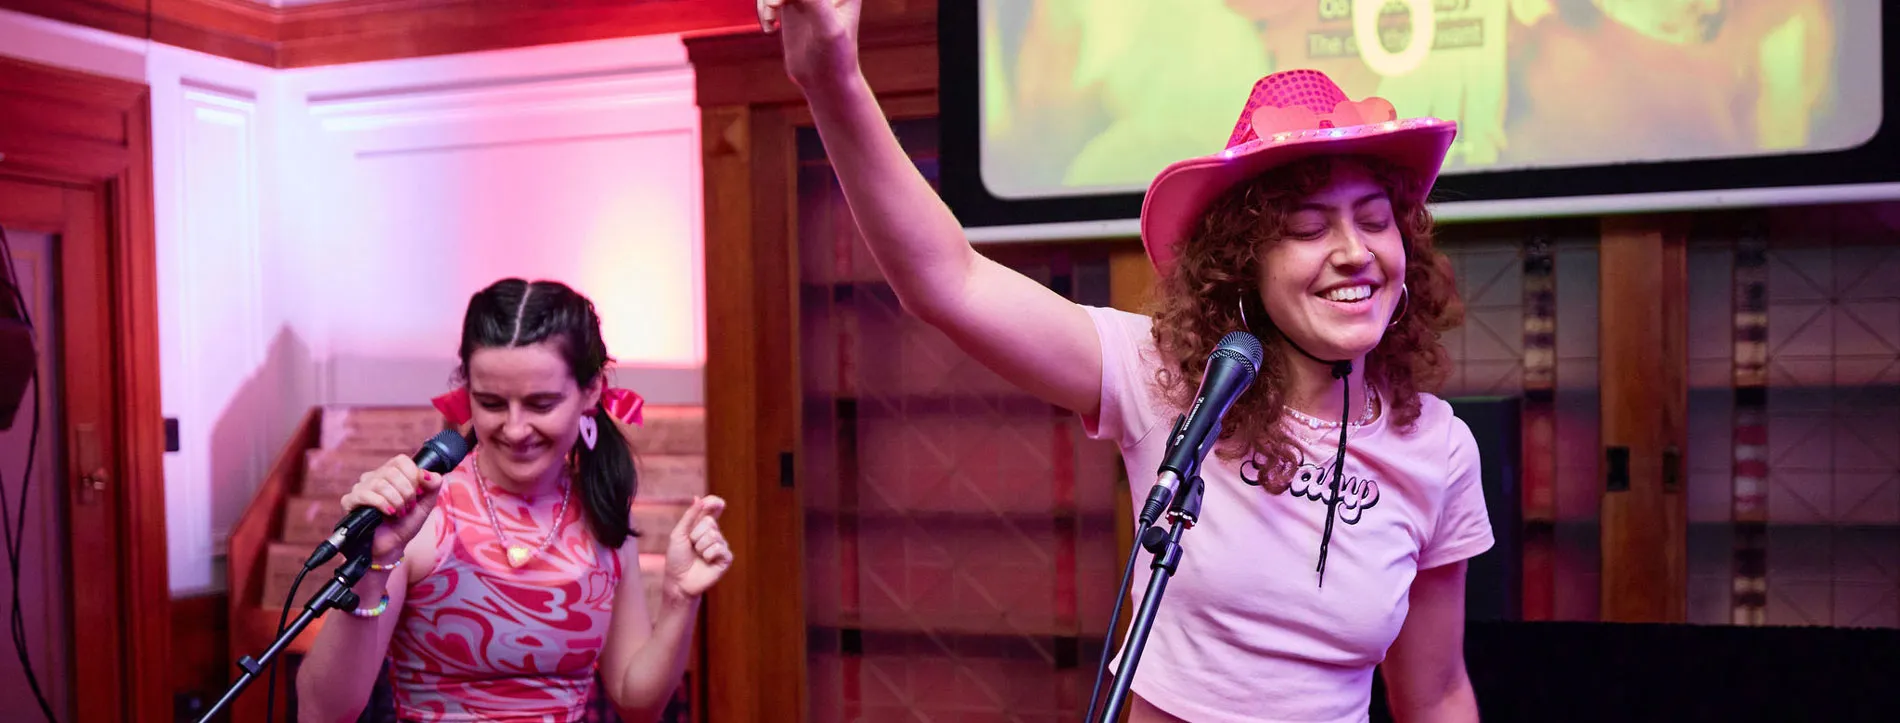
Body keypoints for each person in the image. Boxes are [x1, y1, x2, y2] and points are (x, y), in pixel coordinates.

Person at [760, 1, 1492, 721]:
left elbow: (1434, 693)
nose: (1355, 252)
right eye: (1307, 227)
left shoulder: (1438, 448)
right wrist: (834, 79)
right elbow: (948, 280)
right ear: (1245, 264)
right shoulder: (1171, 379)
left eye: (1374, 220)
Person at [295, 278, 732, 723]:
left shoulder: (601, 512)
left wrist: (680, 599)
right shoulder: (424, 513)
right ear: (467, 390)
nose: (516, 428)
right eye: (491, 403)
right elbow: (322, 712)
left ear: (592, 390)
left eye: (541, 404)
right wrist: (374, 565)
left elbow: (637, 703)